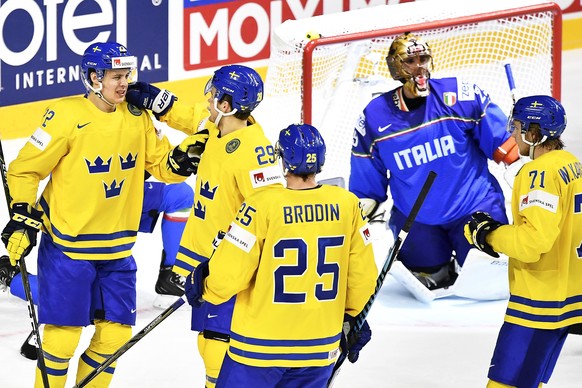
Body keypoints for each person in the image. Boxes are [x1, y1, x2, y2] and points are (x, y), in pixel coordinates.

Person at [0, 41, 208, 388]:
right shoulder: (65, 117)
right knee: (60, 341)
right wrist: (22, 213)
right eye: (115, 76)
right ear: (94, 78)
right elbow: (23, 170)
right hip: (70, 250)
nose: (124, 83)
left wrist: (182, 159)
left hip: (116, 253)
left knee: (113, 340)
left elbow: (162, 165)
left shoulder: (138, 117)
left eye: (126, 75)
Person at [126, 64, 285, 387]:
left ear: (226, 106)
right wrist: (162, 104)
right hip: (205, 263)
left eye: (213, 96)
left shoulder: (255, 153)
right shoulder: (221, 129)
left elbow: (269, 218)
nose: (209, 100)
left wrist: (227, 258)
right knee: (208, 343)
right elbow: (197, 117)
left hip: (230, 270)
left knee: (218, 348)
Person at [184, 123, 378, 387]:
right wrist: (354, 316)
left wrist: (204, 287)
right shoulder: (348, 205)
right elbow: (362, 279)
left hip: (258, 349)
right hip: (319, 348)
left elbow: (229, 276)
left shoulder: (260, 205)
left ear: (283, 160)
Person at [349, 32, 518, 291]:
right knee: (427, 276)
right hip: (416, 219)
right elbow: (367, 181)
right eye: (410, 61)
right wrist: (364, 211)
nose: (420, 67)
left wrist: (520, 167)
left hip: (475, 208)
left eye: (424, 59)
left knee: (489, 281)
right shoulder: (374, 116)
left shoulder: (460, 95)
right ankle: (438, 265)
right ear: (396, 66)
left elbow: (503, 144)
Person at [465, 95, 582, 388]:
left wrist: (488, 235)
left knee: (506, 384)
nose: (513, 135)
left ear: (534, 132)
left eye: (518, 128)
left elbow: (532, 243)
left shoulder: (539, 173)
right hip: (566, 297)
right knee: (530, 382)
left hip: (538, 303)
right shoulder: (572, 164)